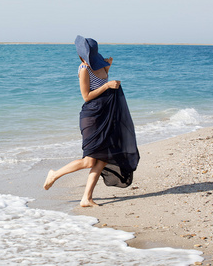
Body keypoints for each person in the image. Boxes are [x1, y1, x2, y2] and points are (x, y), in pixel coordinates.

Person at [43, 35, 140, 207]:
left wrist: (108, 69)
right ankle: (54, 174)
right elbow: (86, 96)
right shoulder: (83, 69)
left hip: (105, 116)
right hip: (91, 117)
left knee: (103, 159)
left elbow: (101, 82)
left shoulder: (101, 62)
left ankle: (86, 198)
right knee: (89, 160)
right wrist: (107, 85)